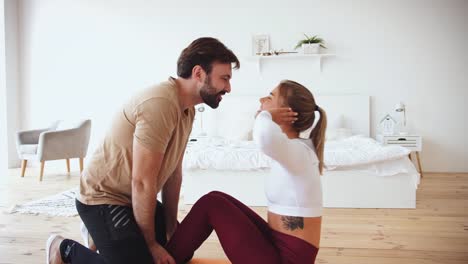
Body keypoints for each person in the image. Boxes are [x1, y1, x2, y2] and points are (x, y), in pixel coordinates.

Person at [45, 37, 240, 264]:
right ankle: (63, 248)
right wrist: (151, 244)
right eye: (224, 78)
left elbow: (173, 173)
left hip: (133, 199)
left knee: (179, 253)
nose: (228, 87)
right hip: (104, 198)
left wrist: (169, 228)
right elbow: (142, 181)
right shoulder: (160, 103)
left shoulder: (188, 110)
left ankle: (107, 241)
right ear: (198, 73)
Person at [165, 80, 327, 264]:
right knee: (216, 198)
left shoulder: (300, 153)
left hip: (285, 260)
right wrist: (267, 114)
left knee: (212, 204)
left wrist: (265, 115)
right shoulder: (297, 151)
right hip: (278, 247)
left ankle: (166, 258)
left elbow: (265, 137)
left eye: (271, 97)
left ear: (287, 112)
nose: (262, 99)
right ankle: (173, 254)